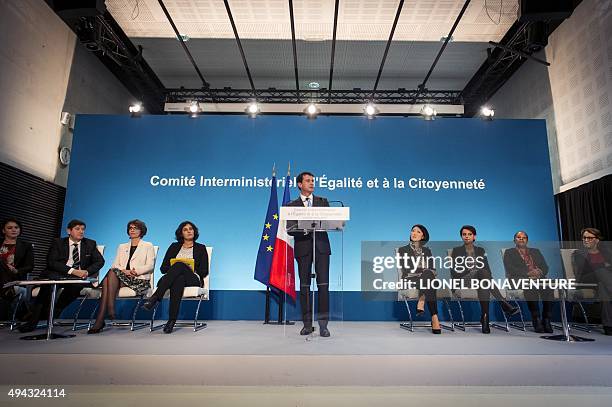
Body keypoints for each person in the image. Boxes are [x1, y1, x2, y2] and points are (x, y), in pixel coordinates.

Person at [18, 219, 105, 333]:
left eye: (83, 229)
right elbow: (52, 262)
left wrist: (86, 272)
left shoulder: (90, 243)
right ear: (69, 231)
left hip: (78, 278)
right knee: (48, 286)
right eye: (77, 229)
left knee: (75, 288)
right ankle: (32, 322)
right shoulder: (58, 242)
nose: (81, 232)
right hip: (58, 274)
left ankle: (51, 313)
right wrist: (73, 271)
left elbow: (100, 261)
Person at [87, 219, 156, 334]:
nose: (132, 230)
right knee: (111, 273)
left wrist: (134, 271)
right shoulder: (122, 246)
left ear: (141, 231)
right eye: (130, 228)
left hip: (139, 280)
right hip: (122, 277)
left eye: (135, 228)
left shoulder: (148, 245)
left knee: (108, 279)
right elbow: (115, 265)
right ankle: (108, 311)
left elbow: (150, 265)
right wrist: (124, 271)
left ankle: (103, 317)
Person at [286, 171, 332, 337]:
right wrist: (306, 228)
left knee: (323, 287)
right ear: (300, 184)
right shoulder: (292, 205)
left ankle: (324, 326)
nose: (312, 183)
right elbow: (290, 229)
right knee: (305, 287)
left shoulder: (323, 202)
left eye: (313, 181)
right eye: (308, 181)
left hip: (321, 248)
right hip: (303, 249)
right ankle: (307, 325)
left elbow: (328, 223)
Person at [143, 221, 208, 334]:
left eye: (191, 229)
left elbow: (204, 271)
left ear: (194, 231)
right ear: (181, 233)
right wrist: (178, 269)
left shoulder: (201, 248)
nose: (189, 231)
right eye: (185, 229)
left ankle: (155, 297)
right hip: (173, 278)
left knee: (179, 265)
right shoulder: (174, 247)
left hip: (192, 279)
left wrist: (187, 268)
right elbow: (163, 268)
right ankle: (171, 321)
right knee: (178, 279)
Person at [450, 225, 518, 334]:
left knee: (484, 280)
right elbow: (454, 272)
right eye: (464, 234)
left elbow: (488, 270)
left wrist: (478, 272)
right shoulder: (456, 251)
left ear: (474, 237)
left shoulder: (480, 250)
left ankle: (485, 317)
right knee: (482, 274)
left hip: (481, 279)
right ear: (461, 237)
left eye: (469, 234)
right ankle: (503, 303)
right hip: (463, 280)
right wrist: (470, 271)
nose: (467, 236)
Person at [503, 231, 553, 333]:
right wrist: (529, 273)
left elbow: (545, 267)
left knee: (549, 287)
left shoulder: (536, 251)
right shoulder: (509, 252)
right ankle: (536, 318)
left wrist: (539, 272)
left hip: (538, 278)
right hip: (518, 279)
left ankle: (546, 319)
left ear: (527, 240)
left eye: (524, 237)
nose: (521, 239)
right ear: (514, 240)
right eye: (518, 237)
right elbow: (510, 269)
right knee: (530, 286)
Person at [397, 224, 441, 334]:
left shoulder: (427, 251)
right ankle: (434, 317)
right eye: (413, 231)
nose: (414, 233)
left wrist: (424, 271)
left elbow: (433, 269)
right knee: (428, 276)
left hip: (426, 279)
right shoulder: (403, 250)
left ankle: (422, 301)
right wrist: (423, 270)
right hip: (410, 279)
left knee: (427, 275)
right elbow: (407, 269)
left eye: (418, 231)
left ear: (423, 236)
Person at [572, 228, 612, 336]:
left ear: (597, 240)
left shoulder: (606, 252)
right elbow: (584, 269)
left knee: (604, 288)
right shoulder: (579, 253)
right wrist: (603, 265)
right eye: (584, 238)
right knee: (601, 271)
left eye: (589, 238)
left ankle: (608, 326)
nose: (586, 240)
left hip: (603, 282)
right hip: (586, 279)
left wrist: (602, 266)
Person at [0, 218, 34, 320]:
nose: (14, 230)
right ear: (3, 230)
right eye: (10, 228)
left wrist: (16, 270)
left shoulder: (26, 246)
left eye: (16, 227)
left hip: (14, 277)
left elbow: (30, 266)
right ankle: (7, 289)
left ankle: (6, 288)